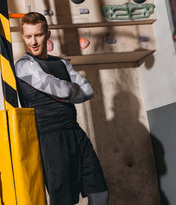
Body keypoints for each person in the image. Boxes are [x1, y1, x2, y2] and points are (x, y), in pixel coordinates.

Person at [15, 12, 109, 205]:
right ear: (23, 37)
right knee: (64, 201)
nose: (33, 41)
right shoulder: (24, 66)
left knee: (100, 193)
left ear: (47, 35)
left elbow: (88, 91)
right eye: (28, 36)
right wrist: (67, 90)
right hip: (49, 138)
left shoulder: (62, 63)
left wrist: (63, 90)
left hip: (75, 132)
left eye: (38, 35)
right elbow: (64, 90)